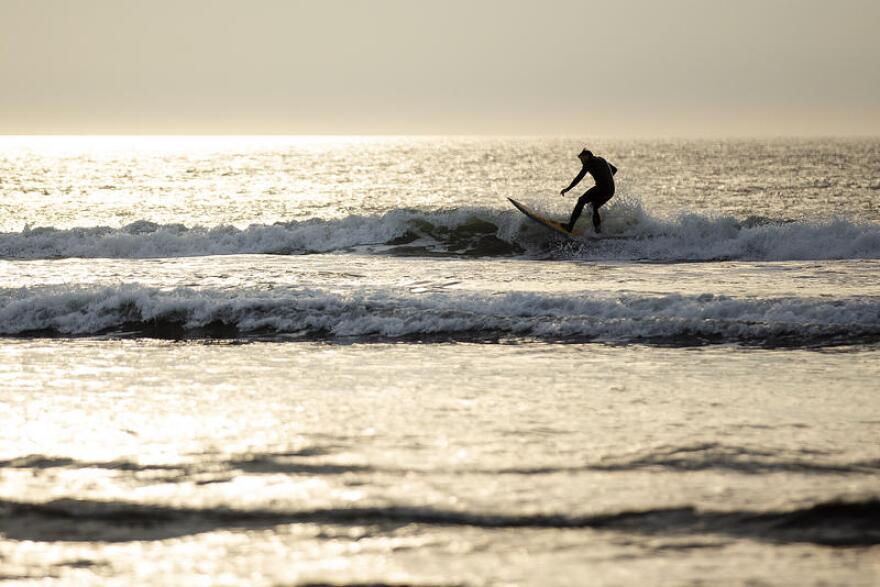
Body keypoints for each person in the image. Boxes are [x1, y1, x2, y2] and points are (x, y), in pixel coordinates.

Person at [560, 149, 618, 233]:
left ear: (587, 156)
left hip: (601, 189)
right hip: (610, 191)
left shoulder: (589, 163)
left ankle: (570, 226)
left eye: (582, 159)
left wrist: (567, 189)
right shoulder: (601, 159)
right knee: (594, 207)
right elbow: (614, 169)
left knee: (581, 200)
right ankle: (598, 231)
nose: (581, 162)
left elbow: (579, 177)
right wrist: (605, 178)